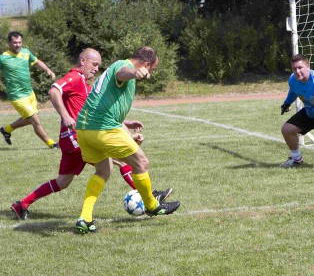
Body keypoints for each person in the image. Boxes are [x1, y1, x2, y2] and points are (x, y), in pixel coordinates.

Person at [10, 48, 172, 220]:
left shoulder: (88, 86)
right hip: (76, 136)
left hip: (76, 136)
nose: (96, 69)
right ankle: (150, 198)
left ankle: (22, 204)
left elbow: (99, 112)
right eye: (94, 64)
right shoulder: (74, 77)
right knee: (121, 161)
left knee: (63, 181)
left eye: (98, 66)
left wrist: (126, 124)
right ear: (82, 61)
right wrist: (65, 116)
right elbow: (54, 91)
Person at [74, 46, 180, 233]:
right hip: (102, 128)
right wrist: (134, 72)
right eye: (152, 69)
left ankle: (85, 218)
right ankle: (153, 206)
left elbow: (108, 107)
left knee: (103, 170)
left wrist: (127, 129)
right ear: (146, 64)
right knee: (141, 162)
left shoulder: (118, 71)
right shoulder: (123, 66)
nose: (151, 73)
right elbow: (122, 73)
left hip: (84, 129)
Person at [0, 31, 58, 149]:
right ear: (9, 43)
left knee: (29, 120)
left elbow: (36, 62)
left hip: (30, 94)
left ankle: (6, 130)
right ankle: (51, 144)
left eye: (20, 42)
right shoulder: (3, 58)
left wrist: (48, 70)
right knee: (35, 121)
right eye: (15, 42)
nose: (18, 45)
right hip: (17, 97)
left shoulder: (26, 53)